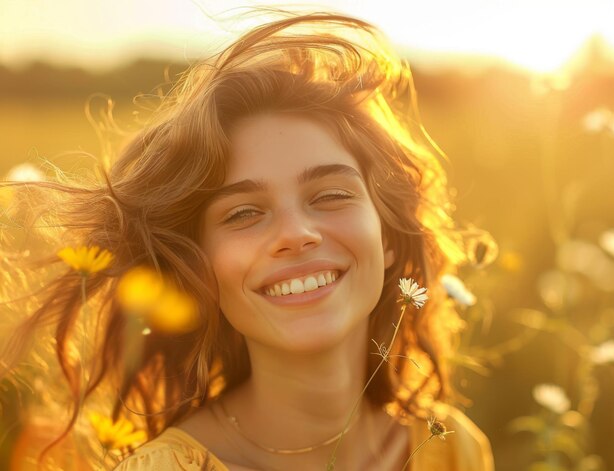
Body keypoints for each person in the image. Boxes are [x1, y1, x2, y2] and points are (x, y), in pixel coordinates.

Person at [1, 10, 493, 471]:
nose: (297, 234)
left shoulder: (454, 449)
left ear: (386, 232)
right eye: (243, 213)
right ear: (202, 269)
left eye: (330, 195)